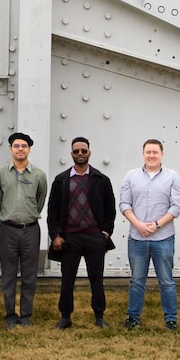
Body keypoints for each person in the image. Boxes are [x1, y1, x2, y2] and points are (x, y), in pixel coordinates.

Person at [47, 137, 116, 329]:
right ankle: (65, 316)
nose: (80, 154)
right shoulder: (61, 180)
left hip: (95, 237)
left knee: (97, 279)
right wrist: (56, 235)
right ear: (71, 154)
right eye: (76, 151)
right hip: (70, 238)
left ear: (89, 153)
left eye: (83, 151)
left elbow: (110, 209)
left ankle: (100, 315)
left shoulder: (101, 179)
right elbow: (52, 211)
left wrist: (105, 233)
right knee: (67, 279)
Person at [120, 139, 180, 330]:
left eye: (155, 152)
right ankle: (133, 318)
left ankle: (171, 318)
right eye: (148, 152)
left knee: (166, 281)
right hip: (137, 238)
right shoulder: (131, 176)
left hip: (163, 238)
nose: (151, 155)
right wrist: (138, 225)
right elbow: (124, 204)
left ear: (162, 154)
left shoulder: (173, 176)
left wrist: (156, 225)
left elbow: (177, 206)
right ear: (143, 154)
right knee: (137, 281)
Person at [0, 131, 48, 329]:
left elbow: (40, 201)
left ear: (29, 149)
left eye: (24, 146)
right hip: (7, 230)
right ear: (10, 149)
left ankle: (25, 315)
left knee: (29, 275)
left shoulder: (39, 175)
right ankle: (10, 315)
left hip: (30, 231)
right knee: (8, 275)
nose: (20, 149)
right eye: (16, 146)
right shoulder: (0, 173)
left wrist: (29, 215)